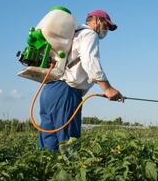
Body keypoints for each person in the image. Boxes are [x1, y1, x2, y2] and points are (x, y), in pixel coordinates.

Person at [38, 10, 123, 151]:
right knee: (69, 144)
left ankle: (46, 172)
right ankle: (70, 172)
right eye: (106, 25)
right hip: (66, 92)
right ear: (95, 20)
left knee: (48, 143)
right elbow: (90, 61)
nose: (106, 29)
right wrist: (107, 89)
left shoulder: (73, 35)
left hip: (50, 89)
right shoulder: (89, 34)